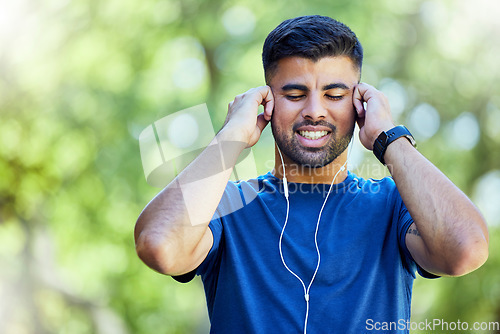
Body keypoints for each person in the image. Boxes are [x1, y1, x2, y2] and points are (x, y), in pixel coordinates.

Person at [134, 15, 489, 333]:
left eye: (334, 94)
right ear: (266, 102)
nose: (315, 111)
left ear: (359, 105)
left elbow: (466, 250)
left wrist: (388, 137)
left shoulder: (393, 206)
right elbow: (159, 245)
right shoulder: (226, 205)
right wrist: (232, 135)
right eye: (295, 94)